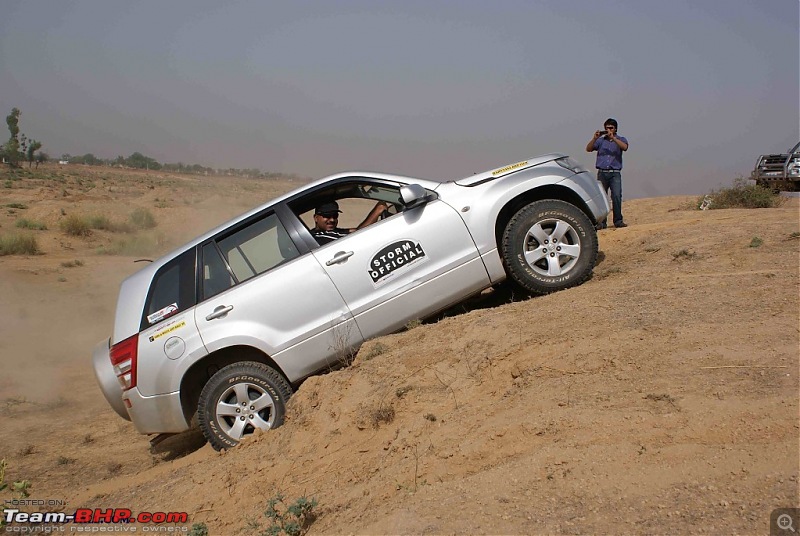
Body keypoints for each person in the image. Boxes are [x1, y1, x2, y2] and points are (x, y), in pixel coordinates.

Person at [586, 118, 629, 229]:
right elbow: (588, 149)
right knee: (601, 198)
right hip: (602, 173)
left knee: (616, 196)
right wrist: (594, 138)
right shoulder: (601, 141)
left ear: (615, 129)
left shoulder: (621, 139)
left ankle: (618, 221)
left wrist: (613, 138)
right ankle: (601, 222)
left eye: (611, 128)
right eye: (607, 128)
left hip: (615, 173)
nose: (608, 130)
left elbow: (625, 147)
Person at [310, 200, 388, 245]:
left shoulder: (333, 232)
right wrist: (378, 210)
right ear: (316, 218)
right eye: (327, 216)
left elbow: (354, 230)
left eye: (335, 216)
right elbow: (360, 233)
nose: (332, 220)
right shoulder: (320, 237)